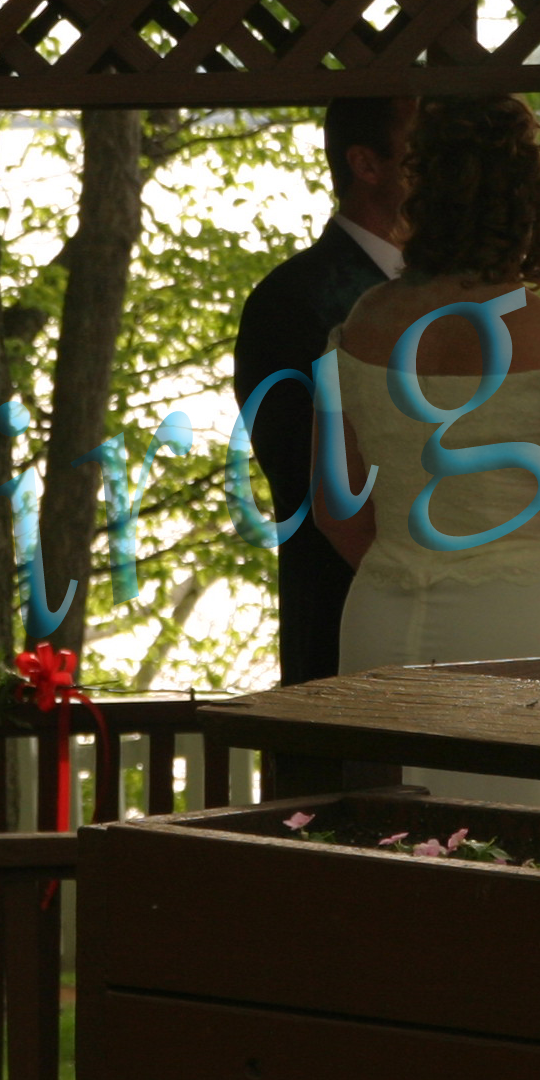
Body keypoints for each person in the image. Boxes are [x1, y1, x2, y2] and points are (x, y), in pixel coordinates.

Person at [319, 94, 540, 810]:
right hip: (536, 628)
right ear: (532, 204)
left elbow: (337, 511)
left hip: (384, 621)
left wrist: (416, 571)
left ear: (421, 194)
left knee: (397, 851)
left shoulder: (363, 323)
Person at [234, 97, 413, 684]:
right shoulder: (290, 301)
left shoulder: (456, 294)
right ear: (367, 164)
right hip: (344, 625)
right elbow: (306, 485)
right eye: (422, 150)